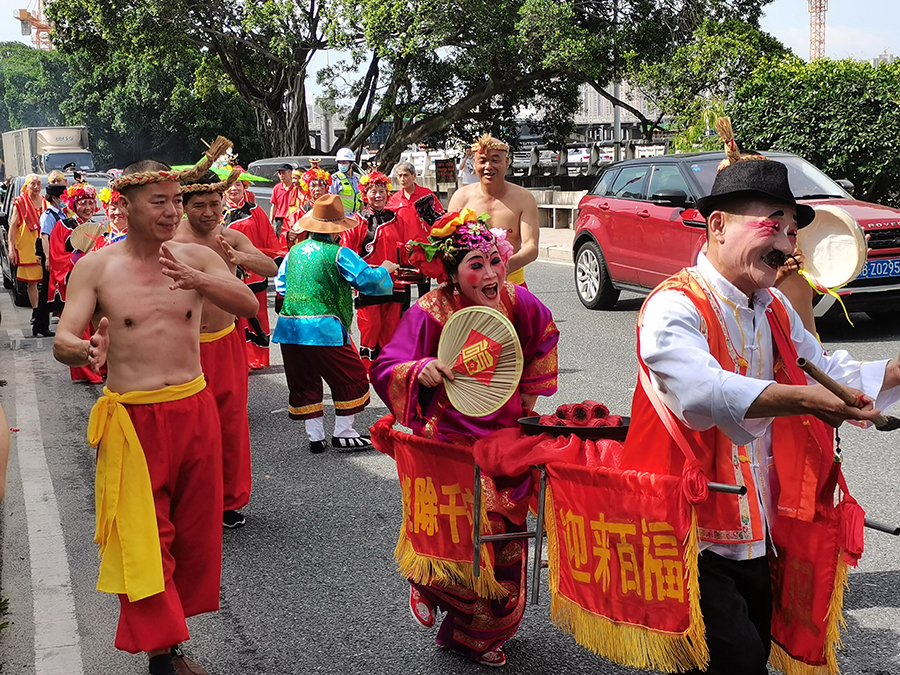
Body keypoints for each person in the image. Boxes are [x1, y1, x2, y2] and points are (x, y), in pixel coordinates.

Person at [618, 150, 900, 675]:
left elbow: (822, 366)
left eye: (792, 232)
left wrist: (895, 372)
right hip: (691, 530)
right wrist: (804, 400)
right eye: (774, 225)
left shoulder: (772, 307)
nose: (786, 244)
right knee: (737, 660)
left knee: (752, 651)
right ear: (718, 225)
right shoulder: (673, 304)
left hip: (761, 524)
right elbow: (700, 393)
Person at [51, 138, 259, 675]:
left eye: (174, 200)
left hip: (194, 406)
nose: (171, 211)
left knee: (193, 535)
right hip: (134, 418)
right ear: (125, 205)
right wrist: (86, 350)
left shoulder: (197, 256)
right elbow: (63, 340)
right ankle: (164, 654)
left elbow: (248, 304)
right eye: (159, 202)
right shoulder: (96, 269)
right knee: (145, 538)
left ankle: (170, 635)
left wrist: (203, 279)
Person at [370, 210, 559, 668]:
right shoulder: (431, 312)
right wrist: (420, 370)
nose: (491, 273)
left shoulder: (520, 304)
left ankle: (476, 634)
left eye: (495, 260)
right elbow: (385, 367)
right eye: (476, 264)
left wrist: (528, 408)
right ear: (452, 275)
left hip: (506, 439)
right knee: (459, 534)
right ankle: (430, 585)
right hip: (450, 440)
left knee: (506, 543)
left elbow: (543, 341)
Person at [176, 169, 278, 529]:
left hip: (224, 340)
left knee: (230, 422)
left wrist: (239, 257)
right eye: (199, 205)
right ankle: (187, 499)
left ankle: (229, 501)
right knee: (187, 426)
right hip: (181, 344)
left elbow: (270, 265)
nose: (208, 212)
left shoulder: (229, 236)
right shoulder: (169, 242)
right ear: (184, 206)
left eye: (215, 204)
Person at [273, 194, 397, 452]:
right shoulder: (339, 253)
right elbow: (366, 280)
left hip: (289, 327)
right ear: (337, 229)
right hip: (323, 327)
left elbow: (280, 286)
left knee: (305, 380)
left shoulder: (294, 252)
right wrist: (385, 269)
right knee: (351, 376)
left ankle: (315, 437)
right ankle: (344, 432)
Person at [340, 170, 421, 370]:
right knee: (369, 326)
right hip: (368, 282)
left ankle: (388, 367)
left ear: (387, 193)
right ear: (364, 194)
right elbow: (348, 253)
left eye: (381, 191)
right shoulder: (357, 221)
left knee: (391, 325)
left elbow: (406, 248)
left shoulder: (397, 218)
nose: (378, 195)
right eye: (373, 191)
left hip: (394, 281)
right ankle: (367, 368)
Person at [448, 135, 539, 287]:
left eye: (495, 160)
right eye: (482, 161)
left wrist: (501, 267)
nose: (488, 166)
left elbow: (531, 247)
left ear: (506, 162)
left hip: (511, 284)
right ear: (474, 163)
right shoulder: (461, 198)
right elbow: (448, 244)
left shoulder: (524, 199)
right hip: (470, 287)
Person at [223, 176, 281, 369]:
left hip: (254, 270)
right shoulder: (218, 213)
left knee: (257, 313)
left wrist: (275, 259)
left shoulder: (255, 211)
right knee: (235, 315)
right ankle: (240, 358)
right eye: (230, 185)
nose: (234, 188)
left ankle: (257, 357)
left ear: (244, 187)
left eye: (238, 184)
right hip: (229, 270)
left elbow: (269, 238)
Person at [8, 174, 46, 320]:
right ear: (27, 186)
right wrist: (11, 249)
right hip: (27, 248)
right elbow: (12, 227)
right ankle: (36, 313)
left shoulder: (44, 202)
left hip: (44, 247)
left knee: (48, 282)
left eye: (38, 184)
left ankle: (45, 312)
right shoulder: (20, 202)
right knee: (32, 283)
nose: (36, 187)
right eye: (33, 184)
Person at [33, 183, 68, 338]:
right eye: (63, 197)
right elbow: (45, 237)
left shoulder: (61, 214)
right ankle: (40, 325)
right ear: (55, 198)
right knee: (48, 291)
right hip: (52, 257)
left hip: (60, 258)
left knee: (51, 292)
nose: (65, 200)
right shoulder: (48, 216)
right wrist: (47, 258)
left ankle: (40, 325)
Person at [280, 165, 332, 250]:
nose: (317, 189)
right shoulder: (300, 213)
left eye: (321, 185)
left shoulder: (333, 210)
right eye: (313, 185)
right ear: (307, 188)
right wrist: (288, 235)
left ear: (326, 188)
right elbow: (285, 231)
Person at [330, 147, 361, 215]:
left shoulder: (357, 178)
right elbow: (330, 200)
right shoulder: (335, 179)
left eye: (344, 162)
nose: (341, 164)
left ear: (351, 164)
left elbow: (361, 200)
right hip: (342, 217)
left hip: (356, 217)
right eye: (339, 162)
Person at [268, 162, 294, 236]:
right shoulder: (277, 188)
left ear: (290, 173)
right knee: (280, 239)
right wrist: (270, 221)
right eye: (279, 173)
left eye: (283, 173)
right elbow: (274, 205)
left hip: (292, 218)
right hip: (280, 219)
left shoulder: (295, 188)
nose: (281, 176)